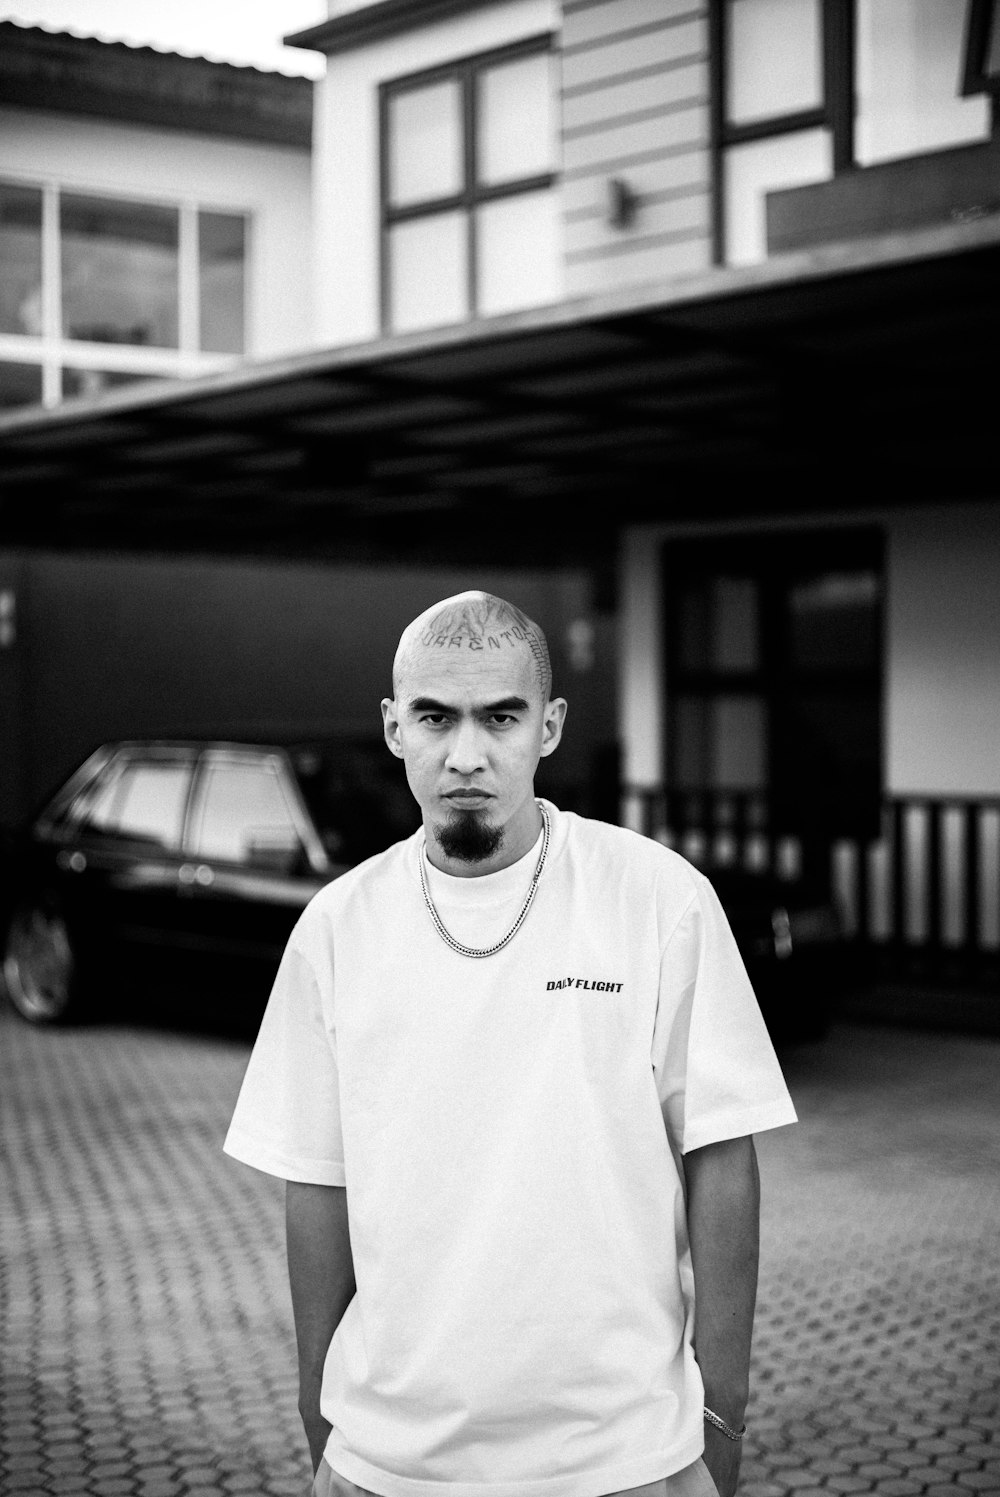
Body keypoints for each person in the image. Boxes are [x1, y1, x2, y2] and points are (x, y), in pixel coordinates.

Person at [224, 591, 797, 1497]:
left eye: (501, 716)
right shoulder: (336, 928)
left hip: (625, 1461)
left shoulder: (657, 899)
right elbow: (316, 1181)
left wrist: (720, 1415)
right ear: (392, 727)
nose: (466, 754)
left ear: (551, 726)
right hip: (387, 1464)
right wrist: (317, 1410)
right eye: (434, 717)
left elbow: (723, 1152)